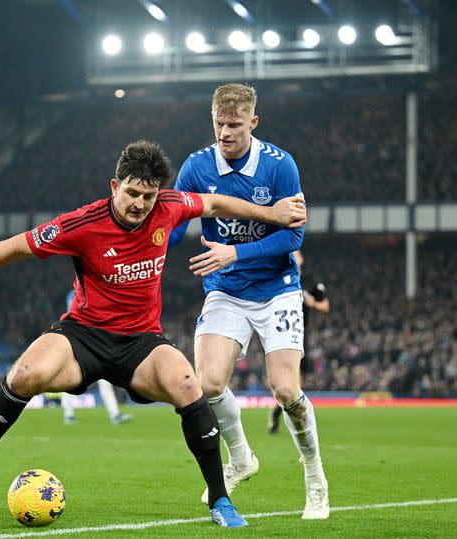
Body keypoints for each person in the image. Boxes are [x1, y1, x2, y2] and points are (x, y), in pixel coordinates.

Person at [0, 140, 306, 527]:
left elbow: (215, 203)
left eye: (148, 197)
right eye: (132, 193)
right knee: (23, 375)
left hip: (141, 342)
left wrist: (271, 214)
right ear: (115, 187)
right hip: (83, 335)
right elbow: (14, 246)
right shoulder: (82, 224)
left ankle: (220, 499)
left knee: (189, 384)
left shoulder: (170, 206)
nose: (140, 204)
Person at [168, 83, 330, 519]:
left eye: (235, 125)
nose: (225, 132)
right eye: (219, 124)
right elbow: (177, 226)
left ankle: (314, 476)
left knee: (285, 390)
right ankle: (240, 458)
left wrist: (234, 251)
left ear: (253, 123)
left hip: (277, 287)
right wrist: (151, 244)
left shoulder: (280, 166)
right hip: (224, 289)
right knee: (209, 384)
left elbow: (293, 234)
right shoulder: (196, 167)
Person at [269, 250, 329, 434]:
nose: (294, 256)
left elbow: (326, 305)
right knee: (286, 380)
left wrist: (313, 304)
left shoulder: (310, 281)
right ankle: (281, 415)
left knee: (295, 382)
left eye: (297, 254)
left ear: (302, 259)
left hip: (301, 334)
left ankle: (279, 413)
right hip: (279, 332)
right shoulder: (278, 277)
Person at [61, 289, 133, 425]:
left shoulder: (96, 289)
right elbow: (75, 315)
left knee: (105, 380)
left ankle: (115, 415)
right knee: (71, 378)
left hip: (97, 340)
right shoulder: (74, 294)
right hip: (80, 340)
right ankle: (69, 414)